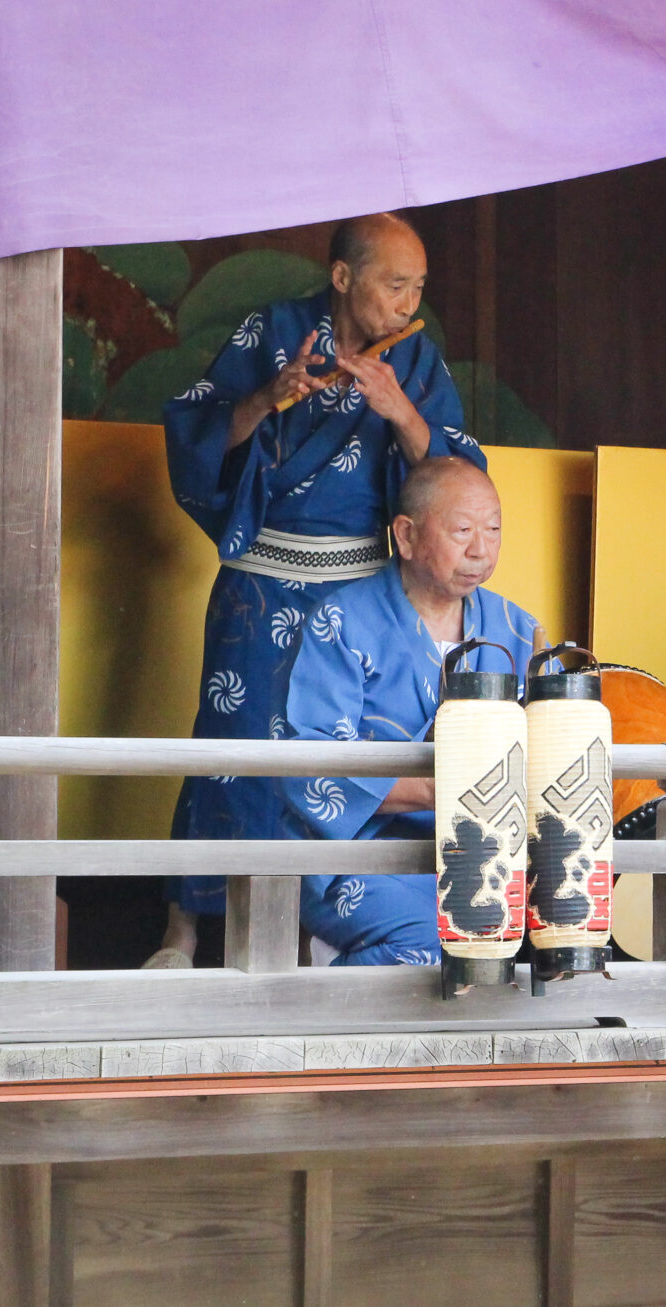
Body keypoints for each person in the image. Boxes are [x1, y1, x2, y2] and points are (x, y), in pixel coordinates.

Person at [155, 214, 484, 965]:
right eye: (394, 283)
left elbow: (460, 474)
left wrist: (400, 410)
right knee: (231, 750)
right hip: (262, 582)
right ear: (342, 277)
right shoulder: (271, 331)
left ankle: (306, 934)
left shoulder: (418, 360)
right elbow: (193, 432)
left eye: (418, 287)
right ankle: (182, 929)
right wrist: (270, 396)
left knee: (333, 757)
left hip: (355, 598)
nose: (408, 302)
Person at [223, 457, 541, 965]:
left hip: (480, 855)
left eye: (493, 529)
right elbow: (311, 764)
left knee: (562, 922)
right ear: (407, 536)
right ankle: (317, 1039)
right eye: (462, 530)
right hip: (357, 852)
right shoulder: (341, 621)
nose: (481, 549)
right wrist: (444, 790)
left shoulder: (518, 630)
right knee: (427, 944)